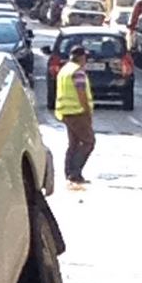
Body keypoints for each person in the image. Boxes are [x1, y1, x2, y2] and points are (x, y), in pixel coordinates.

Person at [55, 45, 95, 184]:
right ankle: (75, 172)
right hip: (78, 112)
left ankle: (69, 172)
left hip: (65, 112)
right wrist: (87, 111)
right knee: (89, 142)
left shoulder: (64, 70)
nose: (86, 60)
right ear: (81, 57)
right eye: (85, 57)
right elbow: (81, 93)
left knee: (74, 144)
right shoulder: (77, 72)